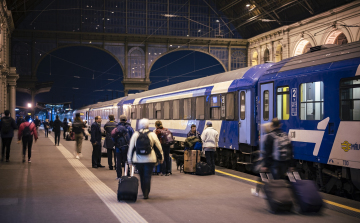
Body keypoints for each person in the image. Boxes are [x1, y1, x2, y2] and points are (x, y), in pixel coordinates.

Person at [128, 118, 163, 199]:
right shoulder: (152, 134)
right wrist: (161, 158)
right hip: (150, 160)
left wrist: (129, 159)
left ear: (139, 125)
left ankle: (144, 190)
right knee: (148, 176)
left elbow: (131, 148)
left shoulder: (136, 134)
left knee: (141, 176)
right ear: (148, 125)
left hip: (138, 160)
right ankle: (146, 193)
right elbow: (158, 147)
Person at [112, 115, 134, 179]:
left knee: (118, 162)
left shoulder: (117, 127)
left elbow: (113, 137)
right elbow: (133, 137)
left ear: (120, 119)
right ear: (126, 119)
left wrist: (116, 144)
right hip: (127, 147)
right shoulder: (129, 128)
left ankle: (119, 176)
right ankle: (127, 175)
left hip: (118, 147)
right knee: (126, 161)